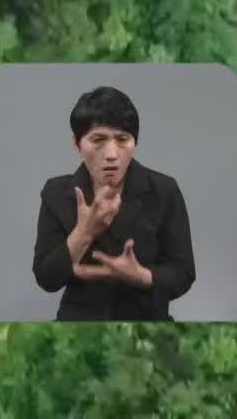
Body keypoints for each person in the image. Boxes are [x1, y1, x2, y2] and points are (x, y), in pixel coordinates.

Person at [32, 86, 196, 321]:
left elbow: (183, 273)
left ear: (135, 142)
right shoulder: (56, 193)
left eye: (122, 139)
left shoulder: (164, 191)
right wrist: (84, 232)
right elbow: (46, 279)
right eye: (98, 139)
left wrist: (140, 276)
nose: (111, 153)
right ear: (77, 144)